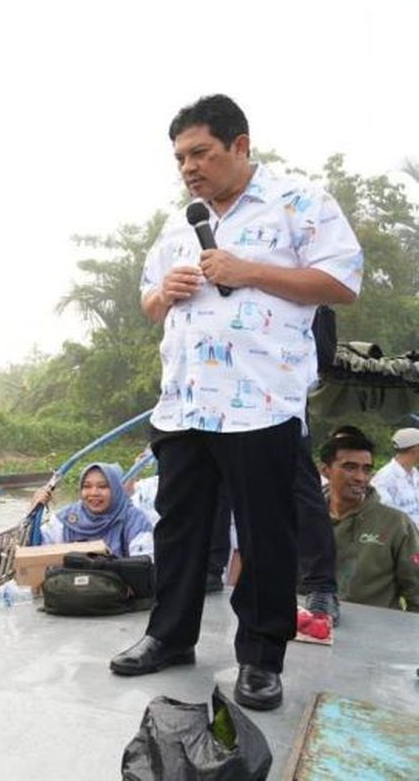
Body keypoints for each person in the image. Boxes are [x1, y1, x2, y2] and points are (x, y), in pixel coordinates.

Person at [110, 94, 363, 712]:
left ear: (240, 145)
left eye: (200, 152)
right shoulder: (180, 222)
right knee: (179, 530)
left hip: (262, 404)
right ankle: (168, 638)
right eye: (179, 158)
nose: (188, 167)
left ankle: (260, 659)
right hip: (183, 404)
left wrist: (248, 269)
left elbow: (341, 282)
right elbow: (148, 303)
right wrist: (163, 293)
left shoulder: (299, 203)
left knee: (266, 533)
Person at [320, 432, 419, 612]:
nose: (361, 477)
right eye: (350, 467)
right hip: (309, 631)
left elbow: (416, 593)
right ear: (326, 470)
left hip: (376, 635)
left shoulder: (397, 524)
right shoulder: (302, 519)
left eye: (367, 469)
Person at [34, 463, 154, 558]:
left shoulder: (134, 520)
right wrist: (33, 510)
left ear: (117, 489)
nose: (94, 493)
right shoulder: (66, 518)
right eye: (87, 486)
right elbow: (33, 549)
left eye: (103, 486)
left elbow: (145, 565)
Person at [370, 427, 419, 528]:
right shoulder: (384, 479)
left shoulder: (414, 473)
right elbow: (388, 516)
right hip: (405, 537)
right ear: (415, 450)